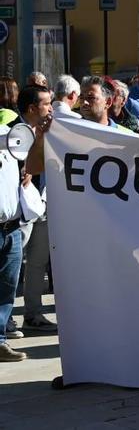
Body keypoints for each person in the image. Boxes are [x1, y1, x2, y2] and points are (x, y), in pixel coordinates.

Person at [0, 86, 52, 362]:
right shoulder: (10, 131)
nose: (51, 110)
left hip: (18, 219)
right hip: (9, 219)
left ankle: (1, 337)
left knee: (10, 284)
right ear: (32, 108)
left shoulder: (33, 134)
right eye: (46, 104)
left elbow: (34, 167)